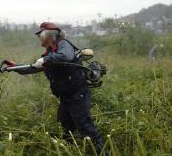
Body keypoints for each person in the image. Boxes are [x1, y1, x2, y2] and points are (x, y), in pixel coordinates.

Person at [15, 22, 106, 155]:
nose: (38, 37)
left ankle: (103, 153)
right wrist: (13, 67)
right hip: (66, 97)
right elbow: (32, 68)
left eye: (40, 34)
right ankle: (69, 151)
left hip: (77, 95)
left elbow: (67, 56)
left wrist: (45, 60)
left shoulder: (63, 45)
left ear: (48, 35)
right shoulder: (51, 52)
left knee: (85, 128)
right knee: (65, 127)